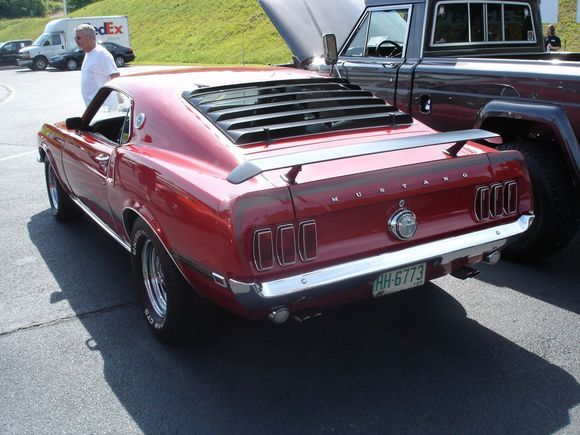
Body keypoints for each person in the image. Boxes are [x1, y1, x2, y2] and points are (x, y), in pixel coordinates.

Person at [74, 24, 120, 106]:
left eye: (78, 38)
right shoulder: (88, 53)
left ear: (88, 37)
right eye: (75, 38)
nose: (76, 41)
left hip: (105, 108)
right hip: (94, 108)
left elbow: (115, 77)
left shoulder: (102, 54)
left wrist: (118, 97)